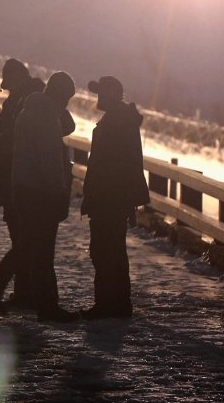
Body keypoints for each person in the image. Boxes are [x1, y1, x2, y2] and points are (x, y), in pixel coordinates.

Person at [0, 60, 44, 314]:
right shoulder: (17, 102)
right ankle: (24, 293)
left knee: (24, 240)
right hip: (16, 179)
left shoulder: (31, 102)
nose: (7, 90)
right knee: (24, 239)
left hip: (23, 179)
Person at [12, 71, 79, 322]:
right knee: (42, 251)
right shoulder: (46, 116)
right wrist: (58, 191)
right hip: (40, 192)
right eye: (66, 99)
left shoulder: (29, 110)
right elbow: (49, 159)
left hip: (23, 187)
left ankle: (39, 301)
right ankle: (47, 306)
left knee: (30, 247)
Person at [80, 76, 148, 319]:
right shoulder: (121, 119)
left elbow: (109, 165)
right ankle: (119, 303)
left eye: (101, 93)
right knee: (114, 250)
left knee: (103, 250)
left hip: (108, 197)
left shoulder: (116, 121)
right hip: (114, 197)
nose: (98, 98)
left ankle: (107, 304)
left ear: (110, 94)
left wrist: (97, 195)